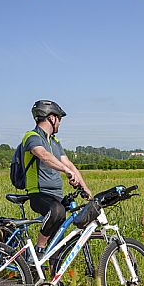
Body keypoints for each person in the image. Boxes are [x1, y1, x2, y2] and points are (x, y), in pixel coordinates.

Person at [21, 99, 92, 261]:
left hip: (56, 196)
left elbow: (69, 164)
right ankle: (38, 250)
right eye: (59, 118)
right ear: (52, 118)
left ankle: (53, 283)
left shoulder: (54, 142)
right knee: (57, 211)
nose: (60, 123)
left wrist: (85, 187)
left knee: (58, 243)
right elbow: (43, 155)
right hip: (39, 194)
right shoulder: (32, 136)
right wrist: (65, 171)